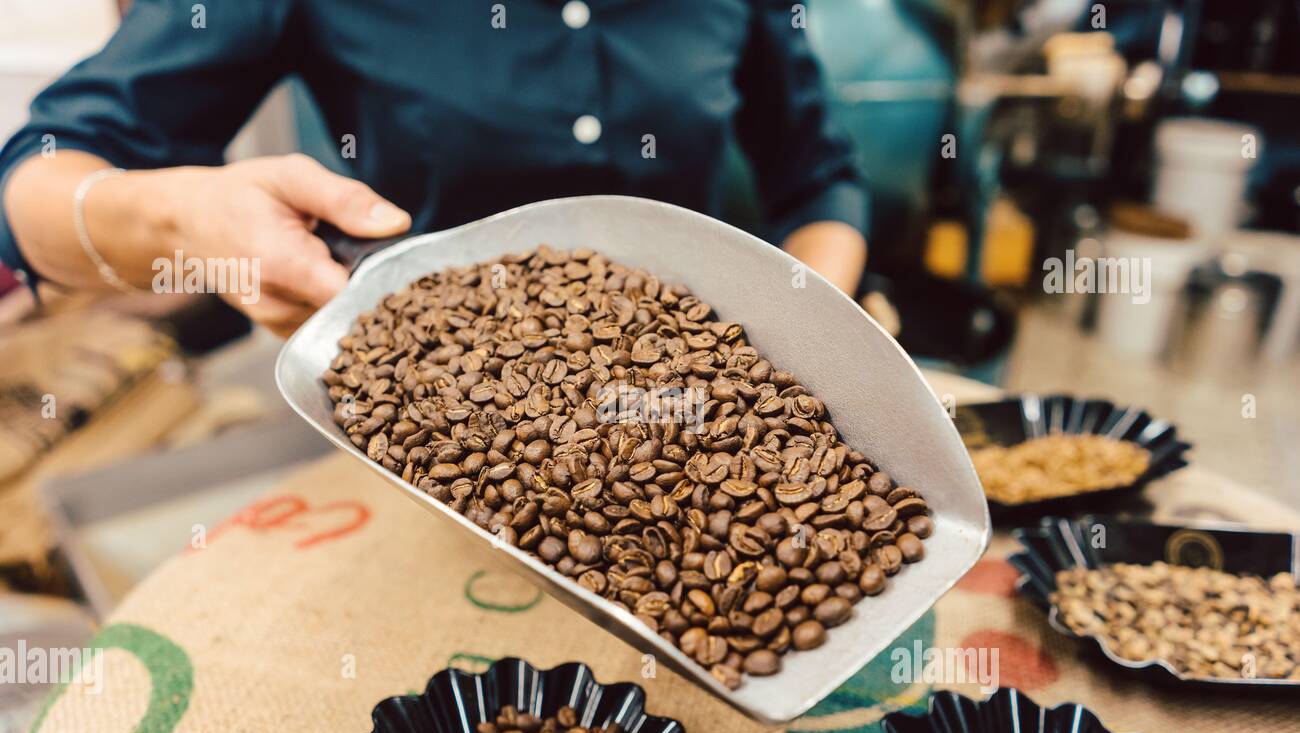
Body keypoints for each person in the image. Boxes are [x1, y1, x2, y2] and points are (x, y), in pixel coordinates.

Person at [0, 0, 869, 336]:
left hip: (690, 417)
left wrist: (796, 336)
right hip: (426, 421)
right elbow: (32, 180)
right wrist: (179, 220)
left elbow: (819, 179)